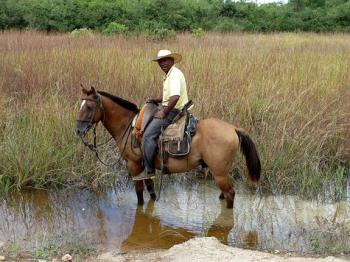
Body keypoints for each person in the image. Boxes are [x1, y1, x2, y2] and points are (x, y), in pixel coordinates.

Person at [133, 49, 189, 181]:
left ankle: (149, 170)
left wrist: (164, 112)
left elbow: (175, 97)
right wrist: (155, 100)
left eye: (165, 60)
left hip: (174, 110)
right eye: (160, 61)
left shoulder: (174, 75)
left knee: (147, 135)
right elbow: (167, 96)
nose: (162, 63)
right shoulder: (169, 75)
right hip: (171, 107)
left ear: (172, 60)